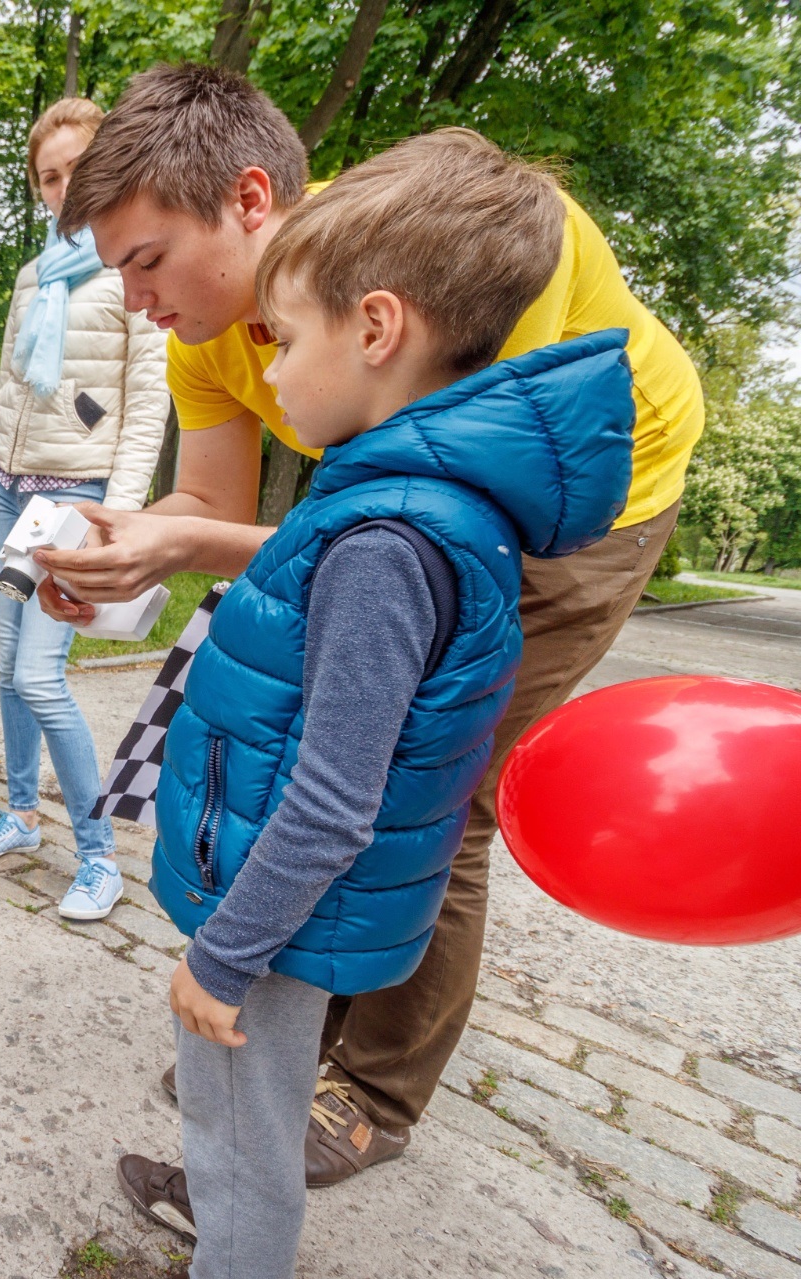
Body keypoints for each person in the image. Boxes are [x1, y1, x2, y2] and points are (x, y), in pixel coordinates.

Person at [47, 63, 703, 1192]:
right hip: (397, 510)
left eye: (147, 259)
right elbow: (218, 505)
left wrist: (196, 542)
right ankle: (291, 1036)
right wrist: (134, 546)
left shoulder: (459, 245)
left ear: (250, 200)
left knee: (432, 795)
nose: (137, 299)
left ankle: (373, 1091)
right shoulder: (206, 331)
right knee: (332, 771)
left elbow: (422, 533)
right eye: (118, 274)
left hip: (567, 512)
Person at [130, 131, 633, 1276]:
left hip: (276, 921)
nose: (268, 372)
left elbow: (333, 799)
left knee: (244, 1130)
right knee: (240, 1115)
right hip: (287, 905)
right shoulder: (423, 501)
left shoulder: (384, 544)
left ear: (375, 329)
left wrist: (222, 954)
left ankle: (233, 1255)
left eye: (286, 337)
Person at [0, 97, 168, 923]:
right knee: (11, 664)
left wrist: (119, 516)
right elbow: (12, 387)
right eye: (50, 176)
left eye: (79, 166)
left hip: (71, 497)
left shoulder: (133, 269)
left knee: (41, 676)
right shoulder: (33, 274)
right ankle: (20, 812)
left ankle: (99, 853)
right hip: (5, 487)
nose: (65, 186)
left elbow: (147, 406)